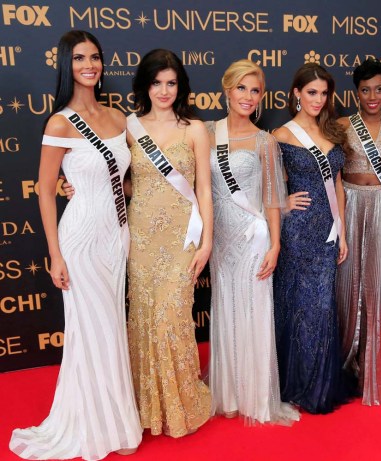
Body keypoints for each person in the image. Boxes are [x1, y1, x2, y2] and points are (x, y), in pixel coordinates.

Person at [9, 30, 142, 460]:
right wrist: (55, 253)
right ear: (67, 64)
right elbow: (46, 190)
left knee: (111, 331)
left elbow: (125, 179)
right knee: (92, 330)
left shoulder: (118, 118)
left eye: (96, 57)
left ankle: (115, 420)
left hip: (116, 234)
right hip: (81, 237)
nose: (90, 65)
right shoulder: (60, 122)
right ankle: (90, 425)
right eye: (81, 57)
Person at [205, 59, 299, 424]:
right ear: (226, 90)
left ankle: (255, 395)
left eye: (254, 90)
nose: (247, 96)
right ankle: (228, 393)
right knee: (226, 306)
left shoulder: (265, 140)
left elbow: (274, 199)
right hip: (221, 239)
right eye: (241, 88)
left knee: (254, 310)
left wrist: (275, 245)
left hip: (254, 237)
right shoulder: (206, 133)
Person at [126, 49, 212, 435]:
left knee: (172, 316)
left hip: (183, 236)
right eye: (157, 82)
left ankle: (179, 404)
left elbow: (205, 191)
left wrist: (207, 242)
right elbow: (121, 181)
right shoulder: (128, 127)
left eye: (171, 82)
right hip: (141, 237)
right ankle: (148, 406)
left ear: (181, 85)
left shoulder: (194, 128)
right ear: (146, 84)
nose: (164, 90)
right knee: (145, 317)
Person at [273, 63, 351, 414]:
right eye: (311, 92)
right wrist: (282, 201)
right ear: (297, 94)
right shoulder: (281, 135)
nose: (318, 99)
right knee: (299, 305)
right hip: (298, 231)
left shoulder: (333, 131)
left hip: (328, 232)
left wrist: (343, 233)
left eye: (323, 93)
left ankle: (318, 382)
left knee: (321, 306)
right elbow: (267, 184)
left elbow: (337, 183)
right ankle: (296, 382)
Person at [336, 58, 381, 405]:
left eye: (379, 89)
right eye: (366, 90)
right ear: (357, 93)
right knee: (348, 282)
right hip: (350, 204)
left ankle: (377, 363)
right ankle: (347, 363)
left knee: (379, 283)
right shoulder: (340, 126)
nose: (373, 96)